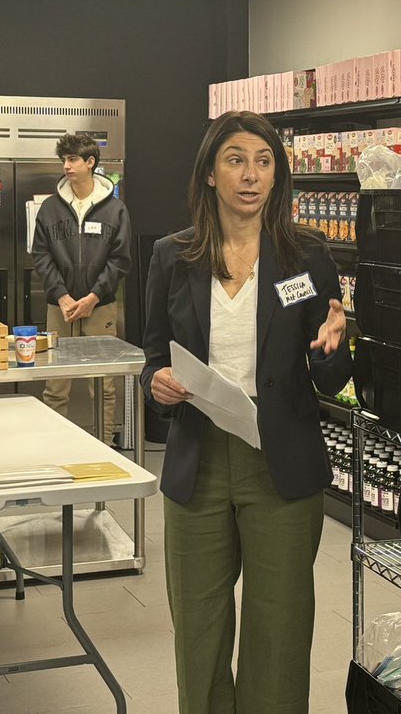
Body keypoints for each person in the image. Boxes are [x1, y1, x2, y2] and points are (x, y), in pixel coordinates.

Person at [141, 111, 351, 714]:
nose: (251, 175)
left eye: (264, 161)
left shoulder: (306, 257)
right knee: (199, 630)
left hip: (280, 460)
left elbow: (330, 375)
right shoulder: (172, 256)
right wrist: (157, 383)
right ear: (210, 173)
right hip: (198, 457)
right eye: (235, 159)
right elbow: (153, 355)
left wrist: (338, 348)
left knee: (279, 628)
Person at [32, 133, 131, 442]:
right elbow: (40, 254)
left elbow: (120, 260)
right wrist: (61, 296)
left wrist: (93, 297)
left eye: (73, 159)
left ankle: (103, 445)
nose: (67, 166)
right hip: (58, 308)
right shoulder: (49, 208)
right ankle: (55, 445)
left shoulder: (115, 210)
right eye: (64, 160)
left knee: (102, 384)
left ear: (91, 163)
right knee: (55, 385)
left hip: (100, 308)